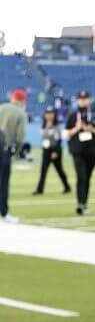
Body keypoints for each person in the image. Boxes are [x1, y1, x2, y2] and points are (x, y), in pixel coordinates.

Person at [66, 89, 95, 214]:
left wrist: (90, 128)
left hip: (92, 150)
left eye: (85, 98)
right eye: (81, 99)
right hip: (78, 150)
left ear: (89, 100)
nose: (83, 101)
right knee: (81, 177)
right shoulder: (73, 115)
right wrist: (77, 128)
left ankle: (84, 203)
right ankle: (80, 204)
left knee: (87, 177)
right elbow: (67, 133)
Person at [0, 88, 28, 223]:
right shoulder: (21, 113)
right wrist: (16, 154)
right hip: (4, 151)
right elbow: (20, 137)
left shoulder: (1, 107)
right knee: (3, 183)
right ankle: (3, 213)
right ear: (23, 100)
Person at [33, 106, 71, 195]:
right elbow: (44, 137)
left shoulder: (57, 126)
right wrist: (47, 127)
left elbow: (58, 140)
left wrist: (55, 152)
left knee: (59, 170)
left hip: (55, 150)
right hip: (46, 150)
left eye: (51, 114)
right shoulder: (43, 125)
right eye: (47, 114)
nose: (49, 116)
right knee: (43, 170)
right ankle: (40, 189)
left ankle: (67, 187)